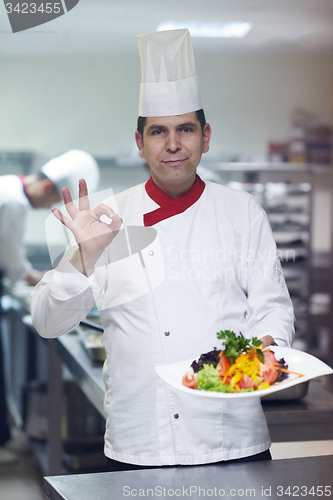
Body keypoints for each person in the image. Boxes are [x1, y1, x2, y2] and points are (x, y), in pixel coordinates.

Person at [31, 29, 294, 471]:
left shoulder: (242, 212)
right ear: (140, 143)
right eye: (158, 132)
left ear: (205, 136)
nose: (172, 144)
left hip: (232, 438)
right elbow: (47, 322)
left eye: (185, 129)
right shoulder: (106, 218)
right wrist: (85, 257)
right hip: (140, 443)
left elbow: (274, 309)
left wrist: (266, 346)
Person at [0, 149, 99, 464]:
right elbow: (17, 268)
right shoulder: (13, 202)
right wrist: (55, 278)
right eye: (55, 200)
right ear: (46, 188)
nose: (52, 207)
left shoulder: (6, 187)